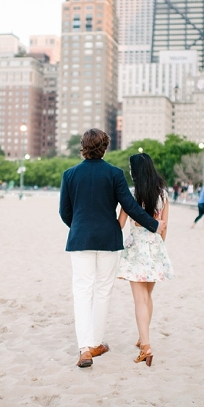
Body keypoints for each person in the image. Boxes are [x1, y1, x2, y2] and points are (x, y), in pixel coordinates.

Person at [59, 129, 166, 369]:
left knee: (82, 291)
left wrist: (79, 227)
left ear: (82, 147)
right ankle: (96, 342)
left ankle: (84, 348)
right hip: (109, 240)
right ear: (105, 148)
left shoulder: (70, 174)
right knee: (103, 290)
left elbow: (64, 212)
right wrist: (154, 225)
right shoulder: (115, 174)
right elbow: (130, 206)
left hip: (80, 240)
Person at [116, 153, 174, 367]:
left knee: (139, 300)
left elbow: (121, 223)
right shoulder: (163, 194)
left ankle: (146, 347)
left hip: (137, 248)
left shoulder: (131, 194)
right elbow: (165, 225)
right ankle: (143, 337)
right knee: (148, 297)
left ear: (136, 172)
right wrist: (161, 247)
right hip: (156, 246)